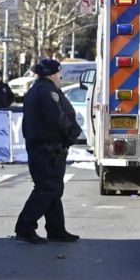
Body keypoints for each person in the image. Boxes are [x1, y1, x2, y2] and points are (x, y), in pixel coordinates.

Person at [14, 58, 83, 244]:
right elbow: (57, 118)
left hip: (43, 148)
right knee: (47, 189)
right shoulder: (46, 91)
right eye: (59, 72)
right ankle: (25, 227)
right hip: (47, 149)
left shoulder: (37, 89)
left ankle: (56, 229)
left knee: (53, 189)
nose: (60, 76)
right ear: (53, 73)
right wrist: (72, 133)